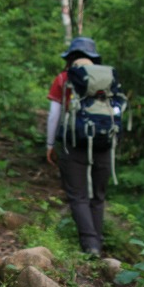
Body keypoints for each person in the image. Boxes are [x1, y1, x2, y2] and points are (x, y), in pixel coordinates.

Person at [45, 37, 116, 257]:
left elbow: (54, 114)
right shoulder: (107, 79)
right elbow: (117, 112)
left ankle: (90, 246)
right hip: (104, 142)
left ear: (70, 58)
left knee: (78, 196)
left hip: (73, 142)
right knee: (98, 196)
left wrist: (49, 144)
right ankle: (98, 242)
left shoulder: (63, 78)